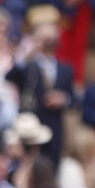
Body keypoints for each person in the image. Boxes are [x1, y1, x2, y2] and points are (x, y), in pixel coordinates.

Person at [8, 10, 76, 163]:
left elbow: (74, 99)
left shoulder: (65, 68)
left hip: (54, 128)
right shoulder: (28, 63)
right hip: (28, 125)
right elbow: (10, 76)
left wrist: (63, 99)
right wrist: (30, 51)